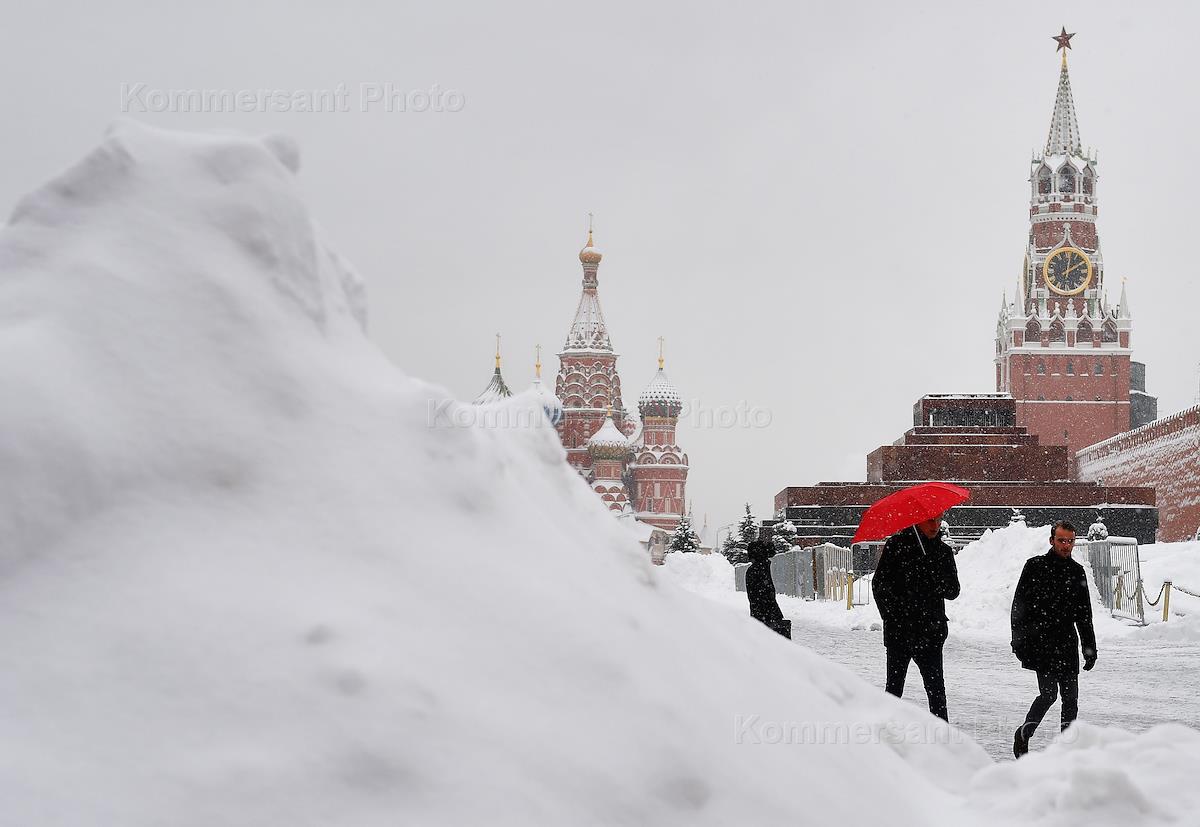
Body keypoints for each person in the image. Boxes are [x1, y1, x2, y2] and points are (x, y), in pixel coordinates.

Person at [1010, 520, 1097, 758]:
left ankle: (1066, 750)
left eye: (1070, 541)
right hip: (1041, 643)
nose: (1066, 545)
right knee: (1048, 695)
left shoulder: (1076, 572)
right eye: (1061, 540)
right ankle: (1024, 734)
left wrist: (1089, 648)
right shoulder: (1035, 566)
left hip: (1067, 643)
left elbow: (1084, 614)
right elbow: (1019, 606)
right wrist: (1018, 640)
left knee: (1071, 699)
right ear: (1052, 540)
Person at [871, 515, 960, 721]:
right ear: (917, 521)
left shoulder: (943, 552)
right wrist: (891, 616)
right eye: (930, 521)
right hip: (900, 631)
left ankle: (942, 735)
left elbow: (953, 591)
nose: (935, 526)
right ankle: (885, 730)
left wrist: (935, 576)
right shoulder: (896, 546)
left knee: (936, 691)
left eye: (938, 521)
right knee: (894, 689)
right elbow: (879, 586)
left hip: (930, 632)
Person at [745, 538, 790, 638]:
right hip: (770, 612)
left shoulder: (754, 570)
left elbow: (756, 595)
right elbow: (767, 593)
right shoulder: (763, 567)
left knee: (764, 640)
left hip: (762, 613)